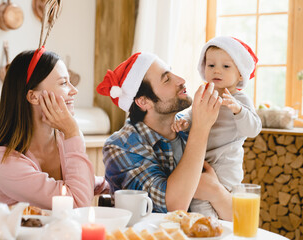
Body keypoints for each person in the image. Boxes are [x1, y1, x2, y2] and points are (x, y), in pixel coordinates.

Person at [96, 52, 232, 220]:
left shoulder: (188, 126)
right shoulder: (121, 146)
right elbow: (172, 206)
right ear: (144, 101)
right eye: (166, 79)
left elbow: (239, 219)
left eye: (172, 72)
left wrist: (216, 192)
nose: (181, 79)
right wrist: (201, 129)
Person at [0, 49, 109, 209]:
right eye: (63, 83)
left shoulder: (62, 140)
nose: (74, 90)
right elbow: (77, 204)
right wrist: (73, 132)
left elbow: (86, 182)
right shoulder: (0, 159)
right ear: (33, 96)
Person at [172, 36, 262, 217]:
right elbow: (193, 114)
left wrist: (238, 110)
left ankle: (211, 230)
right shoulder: (205, 93)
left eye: (226, 66)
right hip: (202, 161)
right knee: (199, 201)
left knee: (208, 205)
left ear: (240, 74)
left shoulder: (240, 99)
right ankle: (210, 230)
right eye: (211, 65)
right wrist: (185, 122)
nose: (217, 71)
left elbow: (253, 129)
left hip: (226, 164)